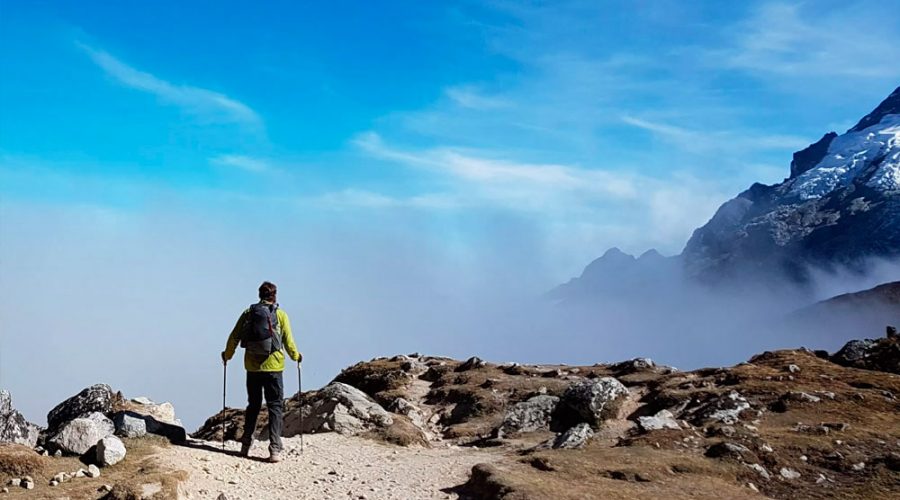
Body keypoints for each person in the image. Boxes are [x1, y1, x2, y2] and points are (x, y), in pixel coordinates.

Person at [222, 281, 301, 463]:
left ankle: (245, 446)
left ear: (259, 295)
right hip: (274, 367)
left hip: (252, 367)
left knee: (253, 406)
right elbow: (288, 342)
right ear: (275, 296)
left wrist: (227, 355)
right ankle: (274, 449)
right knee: (275, 406)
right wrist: (296, 357)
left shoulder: (249, 313)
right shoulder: (280, 315)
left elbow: (234, 336)